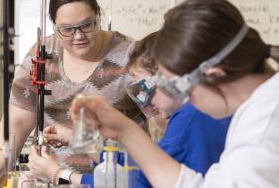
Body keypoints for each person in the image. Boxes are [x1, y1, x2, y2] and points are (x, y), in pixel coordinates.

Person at [70, 0, 279, 188]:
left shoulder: (262, 132)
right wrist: (125, 131)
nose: (182, 101)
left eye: (176, 87)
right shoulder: (260, 106)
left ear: (214, 76)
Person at [28, 32, 231, 187]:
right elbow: (141, 164)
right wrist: (81, 141)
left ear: (169, 77)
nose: (143, 101)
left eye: (143, 88)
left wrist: (58, 174)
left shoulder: (189, 119)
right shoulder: (190, 115)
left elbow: (138, 182)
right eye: (135, 92)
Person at [0, 0, 144, 180]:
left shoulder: (130, 57)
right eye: (67, 29)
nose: (78, 36)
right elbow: (15, 126)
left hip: (116, 181)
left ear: (98, 15)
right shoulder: (41, 56)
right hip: (53, 180)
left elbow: (161, 130)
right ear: (54, 25)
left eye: (86, 25)